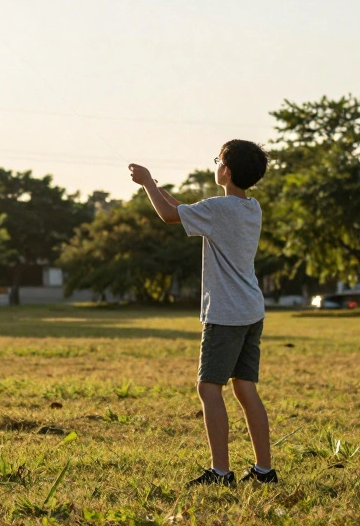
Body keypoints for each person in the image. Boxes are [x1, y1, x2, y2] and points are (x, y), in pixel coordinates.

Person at [129, 139, 276, 487]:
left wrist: (148, 184)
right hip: (251, 310)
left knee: (208, 388)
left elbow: (168, 215)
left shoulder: (216, 209)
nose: (216, 164)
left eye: (218, 160)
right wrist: (160, 189)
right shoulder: (250, 208)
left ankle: (221, 472)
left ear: (225, 170)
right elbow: (183, 209)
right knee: (245, 389)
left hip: (225, 314)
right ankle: (264, 471)